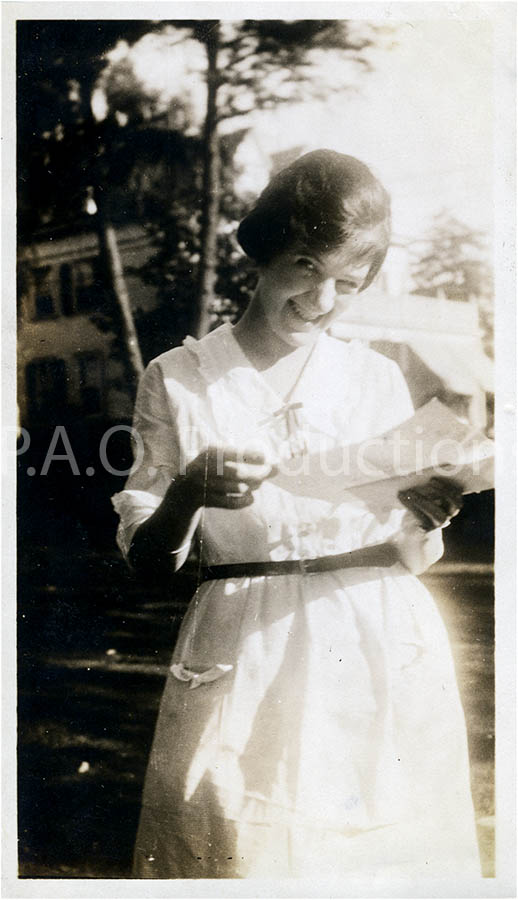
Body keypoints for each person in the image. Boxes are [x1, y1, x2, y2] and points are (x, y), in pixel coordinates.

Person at [112, 149, 480, 879]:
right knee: (240, 848)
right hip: (246, 644)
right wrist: (188, 490)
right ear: (264, 250)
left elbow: (404, 540)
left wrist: (427, 513)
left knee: (382, 856)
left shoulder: (375, 377)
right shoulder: (180, 379)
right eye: (307, 266)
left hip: (376, 634)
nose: (323, 299)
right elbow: (148, 561)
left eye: (350, 282)